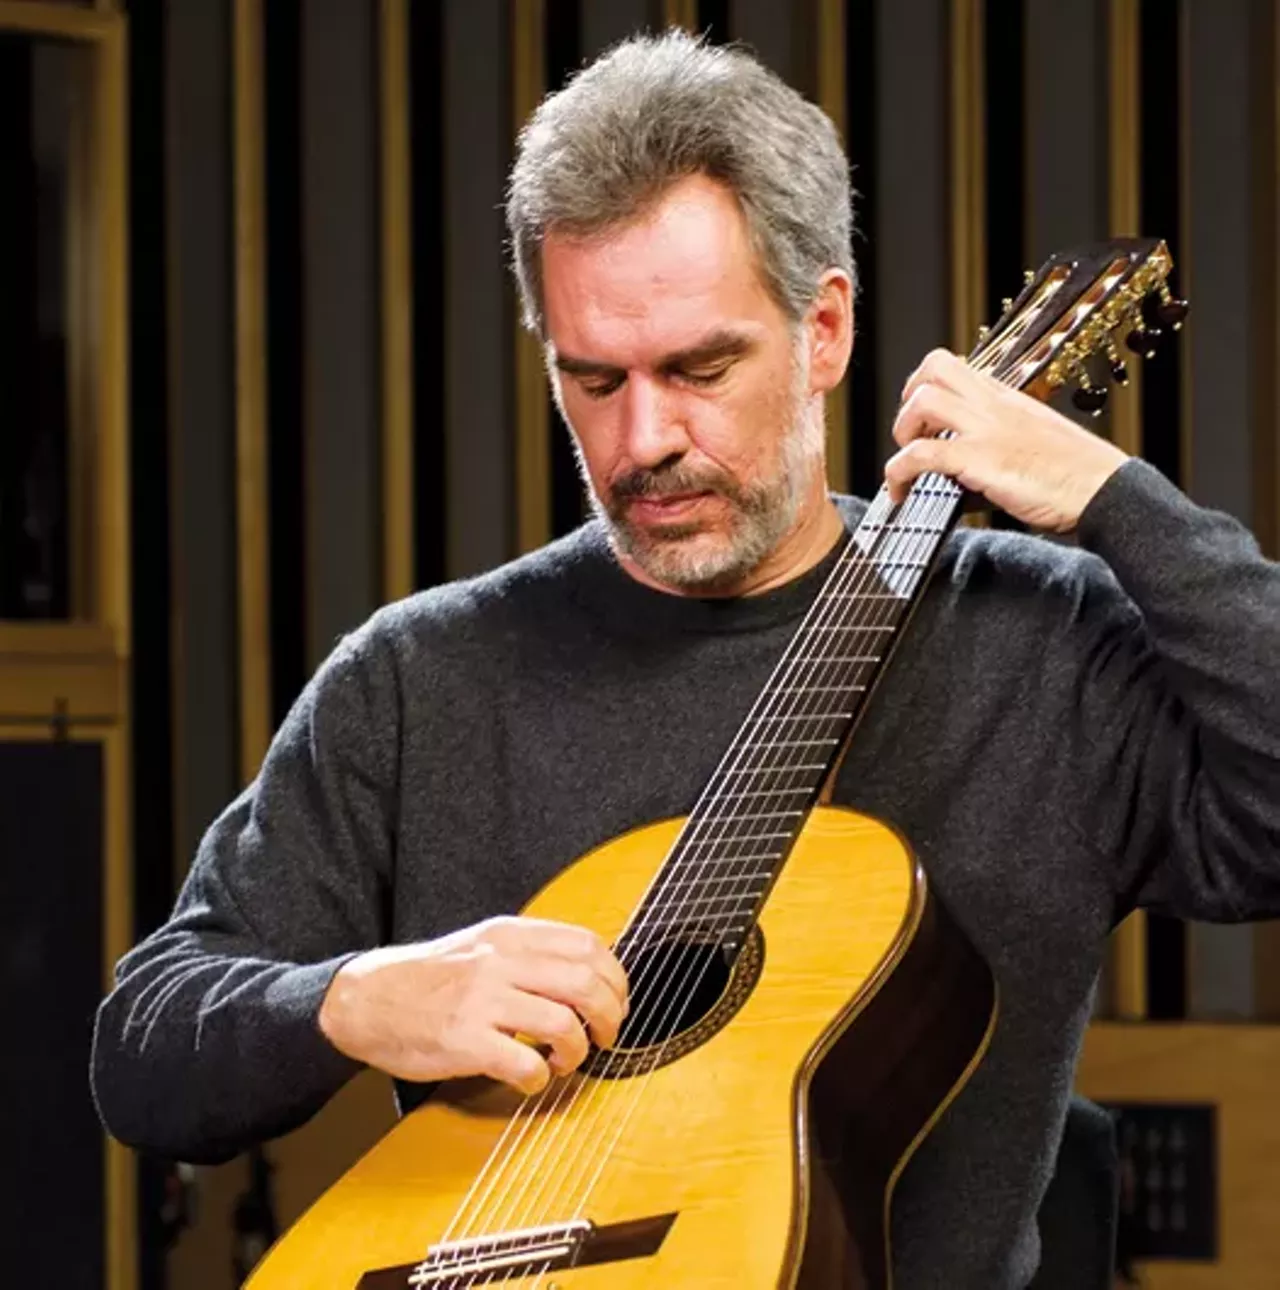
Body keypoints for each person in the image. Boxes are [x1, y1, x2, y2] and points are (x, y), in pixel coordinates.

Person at [92, 30, 1280, 1288]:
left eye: (698, 368)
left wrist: (1116, 502)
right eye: (591, 379)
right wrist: (355, 999)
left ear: (823, 331)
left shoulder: (1042, 647)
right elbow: (145, 1049)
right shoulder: (416, 679)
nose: (643, 438)